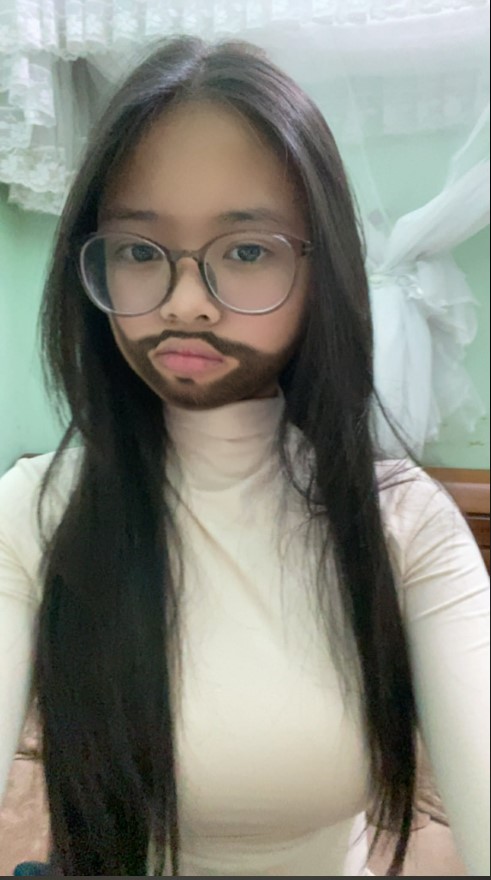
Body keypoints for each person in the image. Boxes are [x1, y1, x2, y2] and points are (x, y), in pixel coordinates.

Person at [0, 35, 489, 878]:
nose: (185, 303)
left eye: (248, 250)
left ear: (320, 270)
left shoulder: (404, 523)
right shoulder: (34, 511)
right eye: (139, 251)